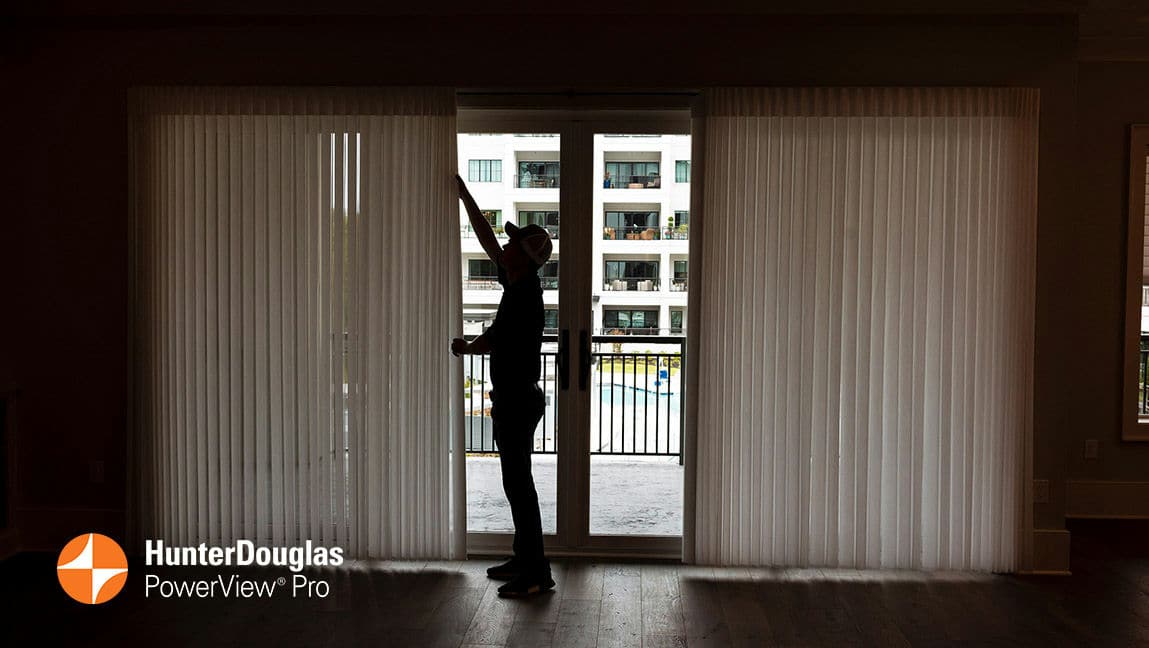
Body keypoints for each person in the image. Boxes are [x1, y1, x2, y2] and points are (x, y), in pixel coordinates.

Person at [451, 174, 555, 598]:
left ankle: (536, 574)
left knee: (519, 486)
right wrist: (466, 199)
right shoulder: (519, 281)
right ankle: (524, 559)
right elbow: (488, 239)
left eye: (514, 244)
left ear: (526, 257)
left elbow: (496, 336)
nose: (505, 247)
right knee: (517, 484)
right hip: (517, 398)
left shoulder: (523, 293)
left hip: (517, 400)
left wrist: (465, 347)